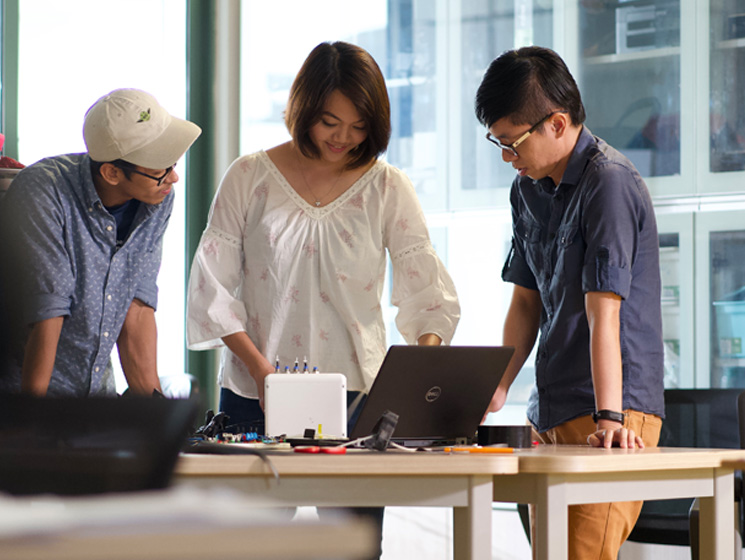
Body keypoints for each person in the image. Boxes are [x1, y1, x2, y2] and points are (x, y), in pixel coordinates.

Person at [186, 41, 459, 557]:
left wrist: (417, 368)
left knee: (354, 549)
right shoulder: (249, 177)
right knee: (251, 547)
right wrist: (262, 371)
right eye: (331, 122)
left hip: (359, 399)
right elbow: (211, 288)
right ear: (304, 109)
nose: (344, 138)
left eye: (359, 127)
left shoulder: (387, 187)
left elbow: (429, 294)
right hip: (253, 392)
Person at [476, 46, 665, 559]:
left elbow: (606, 315)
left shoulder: (609, 183)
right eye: (497, 140)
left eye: (511, 141)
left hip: (612, 408)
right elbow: (524, 304)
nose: (505, 156)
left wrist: (610, 419)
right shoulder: (527, 190)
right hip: (553, 408)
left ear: (557, 124)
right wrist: (495, 389)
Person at [0, 89, 200, 397]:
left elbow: (138, 307)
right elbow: (48, 310)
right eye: (162, 169)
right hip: (26, 396)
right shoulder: (44, 191)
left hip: (93, 400)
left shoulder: (156, 200)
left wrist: (157, 416)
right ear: (111, 172)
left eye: (172, 164)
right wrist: (32, 422)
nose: (173, 178)